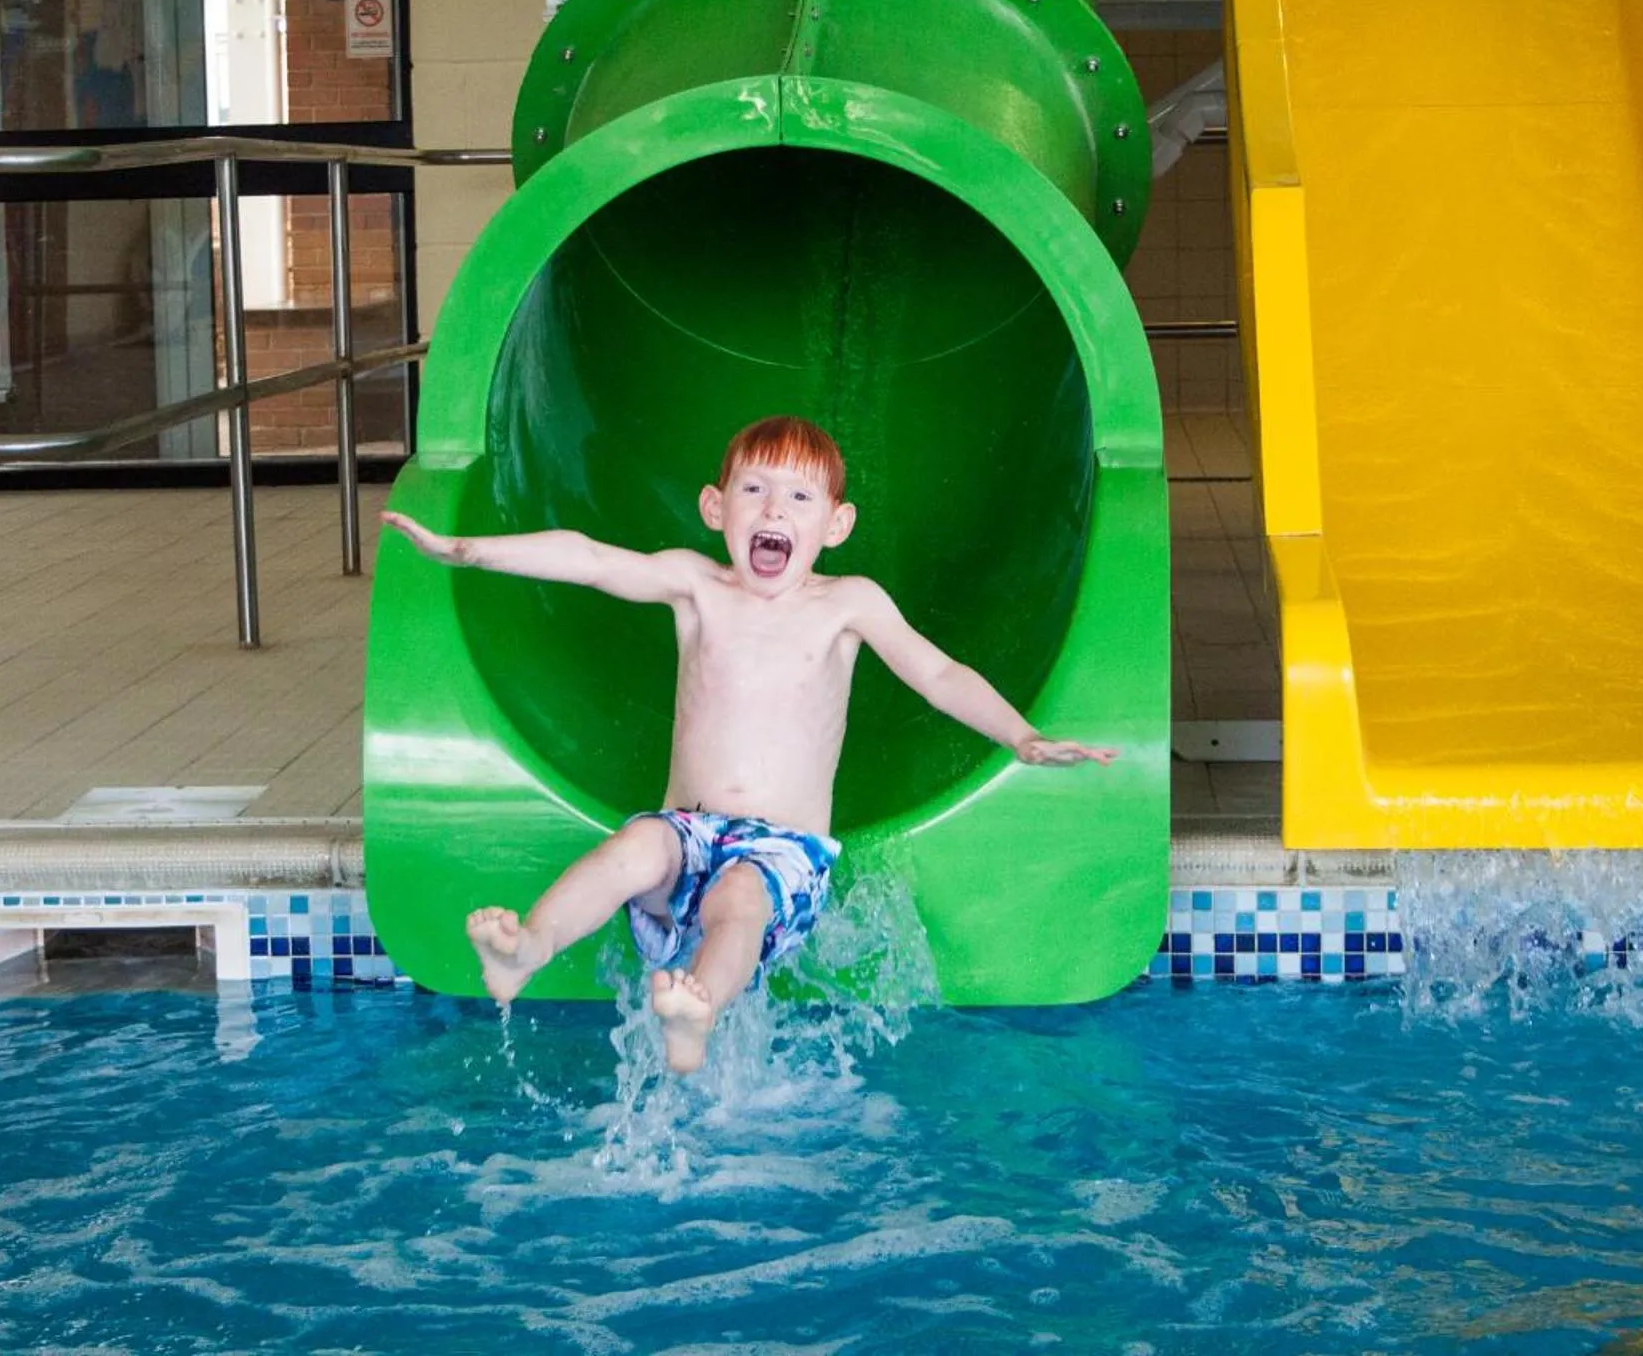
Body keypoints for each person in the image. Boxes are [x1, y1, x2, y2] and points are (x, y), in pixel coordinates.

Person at [380, 416, 1114, 1073]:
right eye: (755, 489)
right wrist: (468, 551)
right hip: (688, 830)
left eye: (800, 499)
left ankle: (698, 1011)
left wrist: (1020, 735)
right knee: (635, 846)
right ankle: (528, 949)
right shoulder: (696, 586)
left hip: (782, 853)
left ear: (835, 523)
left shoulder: (847, 604)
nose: (774, 510)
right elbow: (591, 558)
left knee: (738, 898)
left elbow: (938, 673)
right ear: (715, 507)